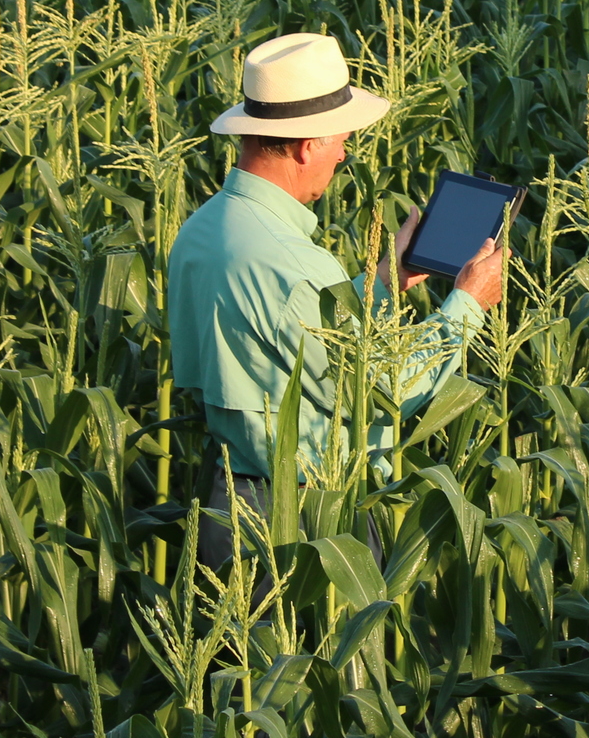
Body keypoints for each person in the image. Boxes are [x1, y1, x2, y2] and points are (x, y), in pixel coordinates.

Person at [165, 30, 505, 564]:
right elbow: (384, 387)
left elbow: (296, 339)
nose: (344, 155)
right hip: (305, 524)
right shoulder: (293, 263)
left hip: (229, 508)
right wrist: (468, 305)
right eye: (341, 140)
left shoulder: (203, 229)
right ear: (307, 146)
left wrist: (385, 283)